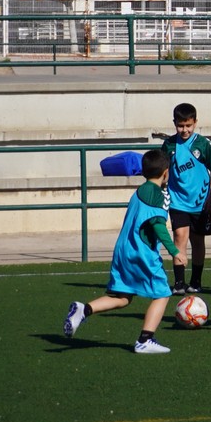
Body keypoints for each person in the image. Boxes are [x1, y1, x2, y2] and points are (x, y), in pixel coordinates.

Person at [63, 149, 186, 354]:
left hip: (123, 250)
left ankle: (84, 309)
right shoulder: (158, 195)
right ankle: (145, 340)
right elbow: (157, 224)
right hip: (142, 252)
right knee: (163, 293)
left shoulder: (140, 190)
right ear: (166, 172)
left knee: (122, 297)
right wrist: (175, 251)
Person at [161, 103, 211, 295]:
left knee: (198, 241)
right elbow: (164, 171)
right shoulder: (169, 145)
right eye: (180, 126)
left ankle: (196, 281)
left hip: (201, 202)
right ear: (174, 123)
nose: (184, 130)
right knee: (179, 237)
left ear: (195, 122)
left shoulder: (202, 144)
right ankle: (179, 282)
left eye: (188, 125)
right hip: (178, 201)